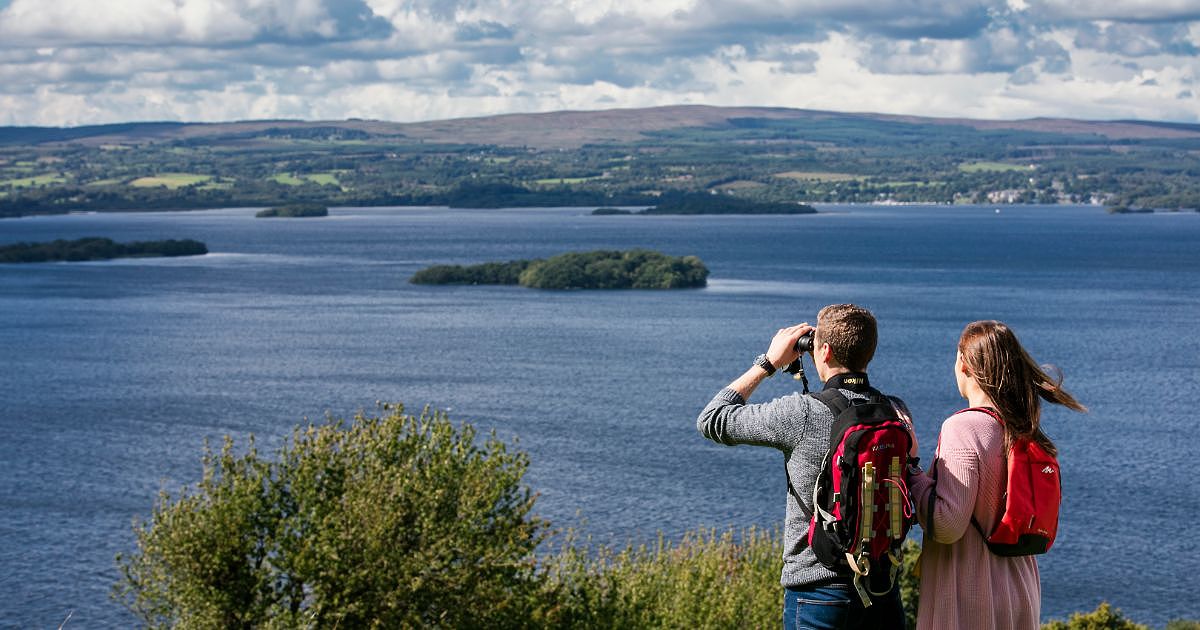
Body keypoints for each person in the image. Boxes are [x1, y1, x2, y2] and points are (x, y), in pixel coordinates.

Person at [696, 304, 910, 630]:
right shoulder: (894, 410)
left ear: (822, 351)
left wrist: (768, 363)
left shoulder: (803, 413)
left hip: (818, 591)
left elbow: (713, 419)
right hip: (881, 586)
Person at [907, 320, 1086, 630]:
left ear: (964, 364)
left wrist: (911, 473)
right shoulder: (1023, 429)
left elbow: (948, 524)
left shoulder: (963, 428)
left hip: (970, 597)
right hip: (1020, 590)